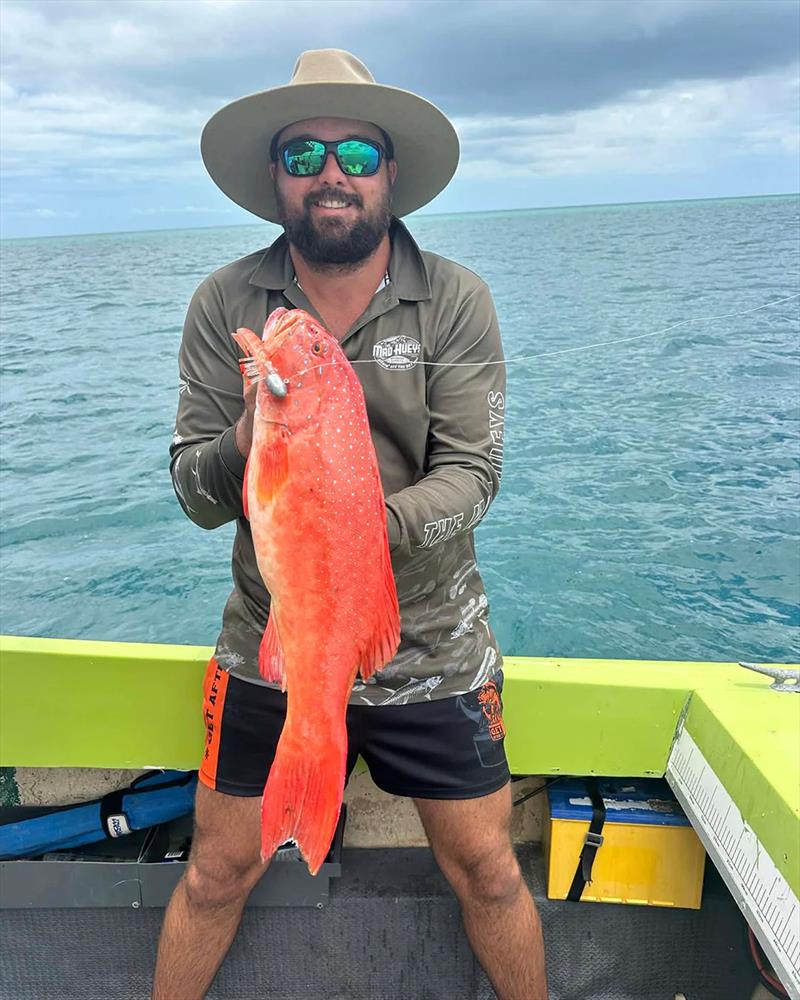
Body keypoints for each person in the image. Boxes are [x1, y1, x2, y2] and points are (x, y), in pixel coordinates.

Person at [155, 49, 548, 1000]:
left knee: (490, 871)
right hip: (270, 636)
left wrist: (351, 526)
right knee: (214, 873)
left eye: (356, 155)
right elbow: (196, 493)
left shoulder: (455, 299)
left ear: (390, 172)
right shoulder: (225, 303)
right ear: (276, 180)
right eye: (304, 157)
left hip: (432, 644)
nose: (332, 174)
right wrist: (253, 433)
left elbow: (473, 475)